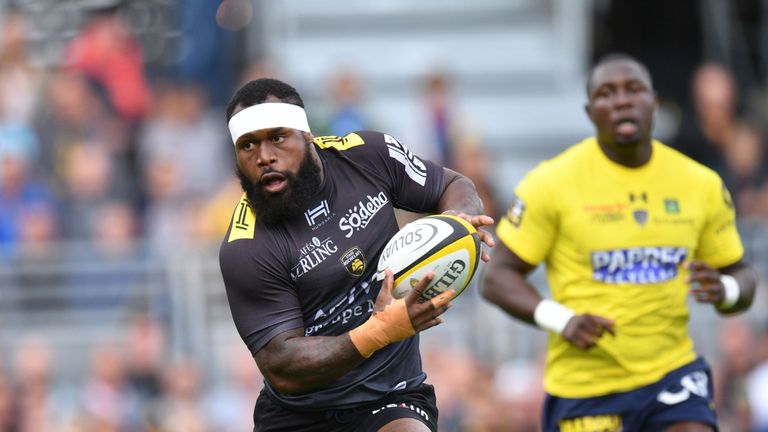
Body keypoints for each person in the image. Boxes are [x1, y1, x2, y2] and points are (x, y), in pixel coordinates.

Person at [480, 53, 758, 432]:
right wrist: (563, 320)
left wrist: (724, 288)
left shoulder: (700, 184)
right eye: (607, 93)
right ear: (590, 111)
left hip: (672, 374)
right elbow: (496, 278)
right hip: (587, 385)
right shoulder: (550, 183)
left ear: (655, 102)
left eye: (634, 89)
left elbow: (742, 277)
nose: (622, 100)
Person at [218, 78, 494, 432]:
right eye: (248, 145)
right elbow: (282, 365)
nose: (265, 156)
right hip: (299, 417)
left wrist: (459, 223)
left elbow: (453, 185)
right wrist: (380, 331)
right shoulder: (246, 247)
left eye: (277, 137)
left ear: (307, 136)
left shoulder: (368, 155)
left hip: (391, 395)